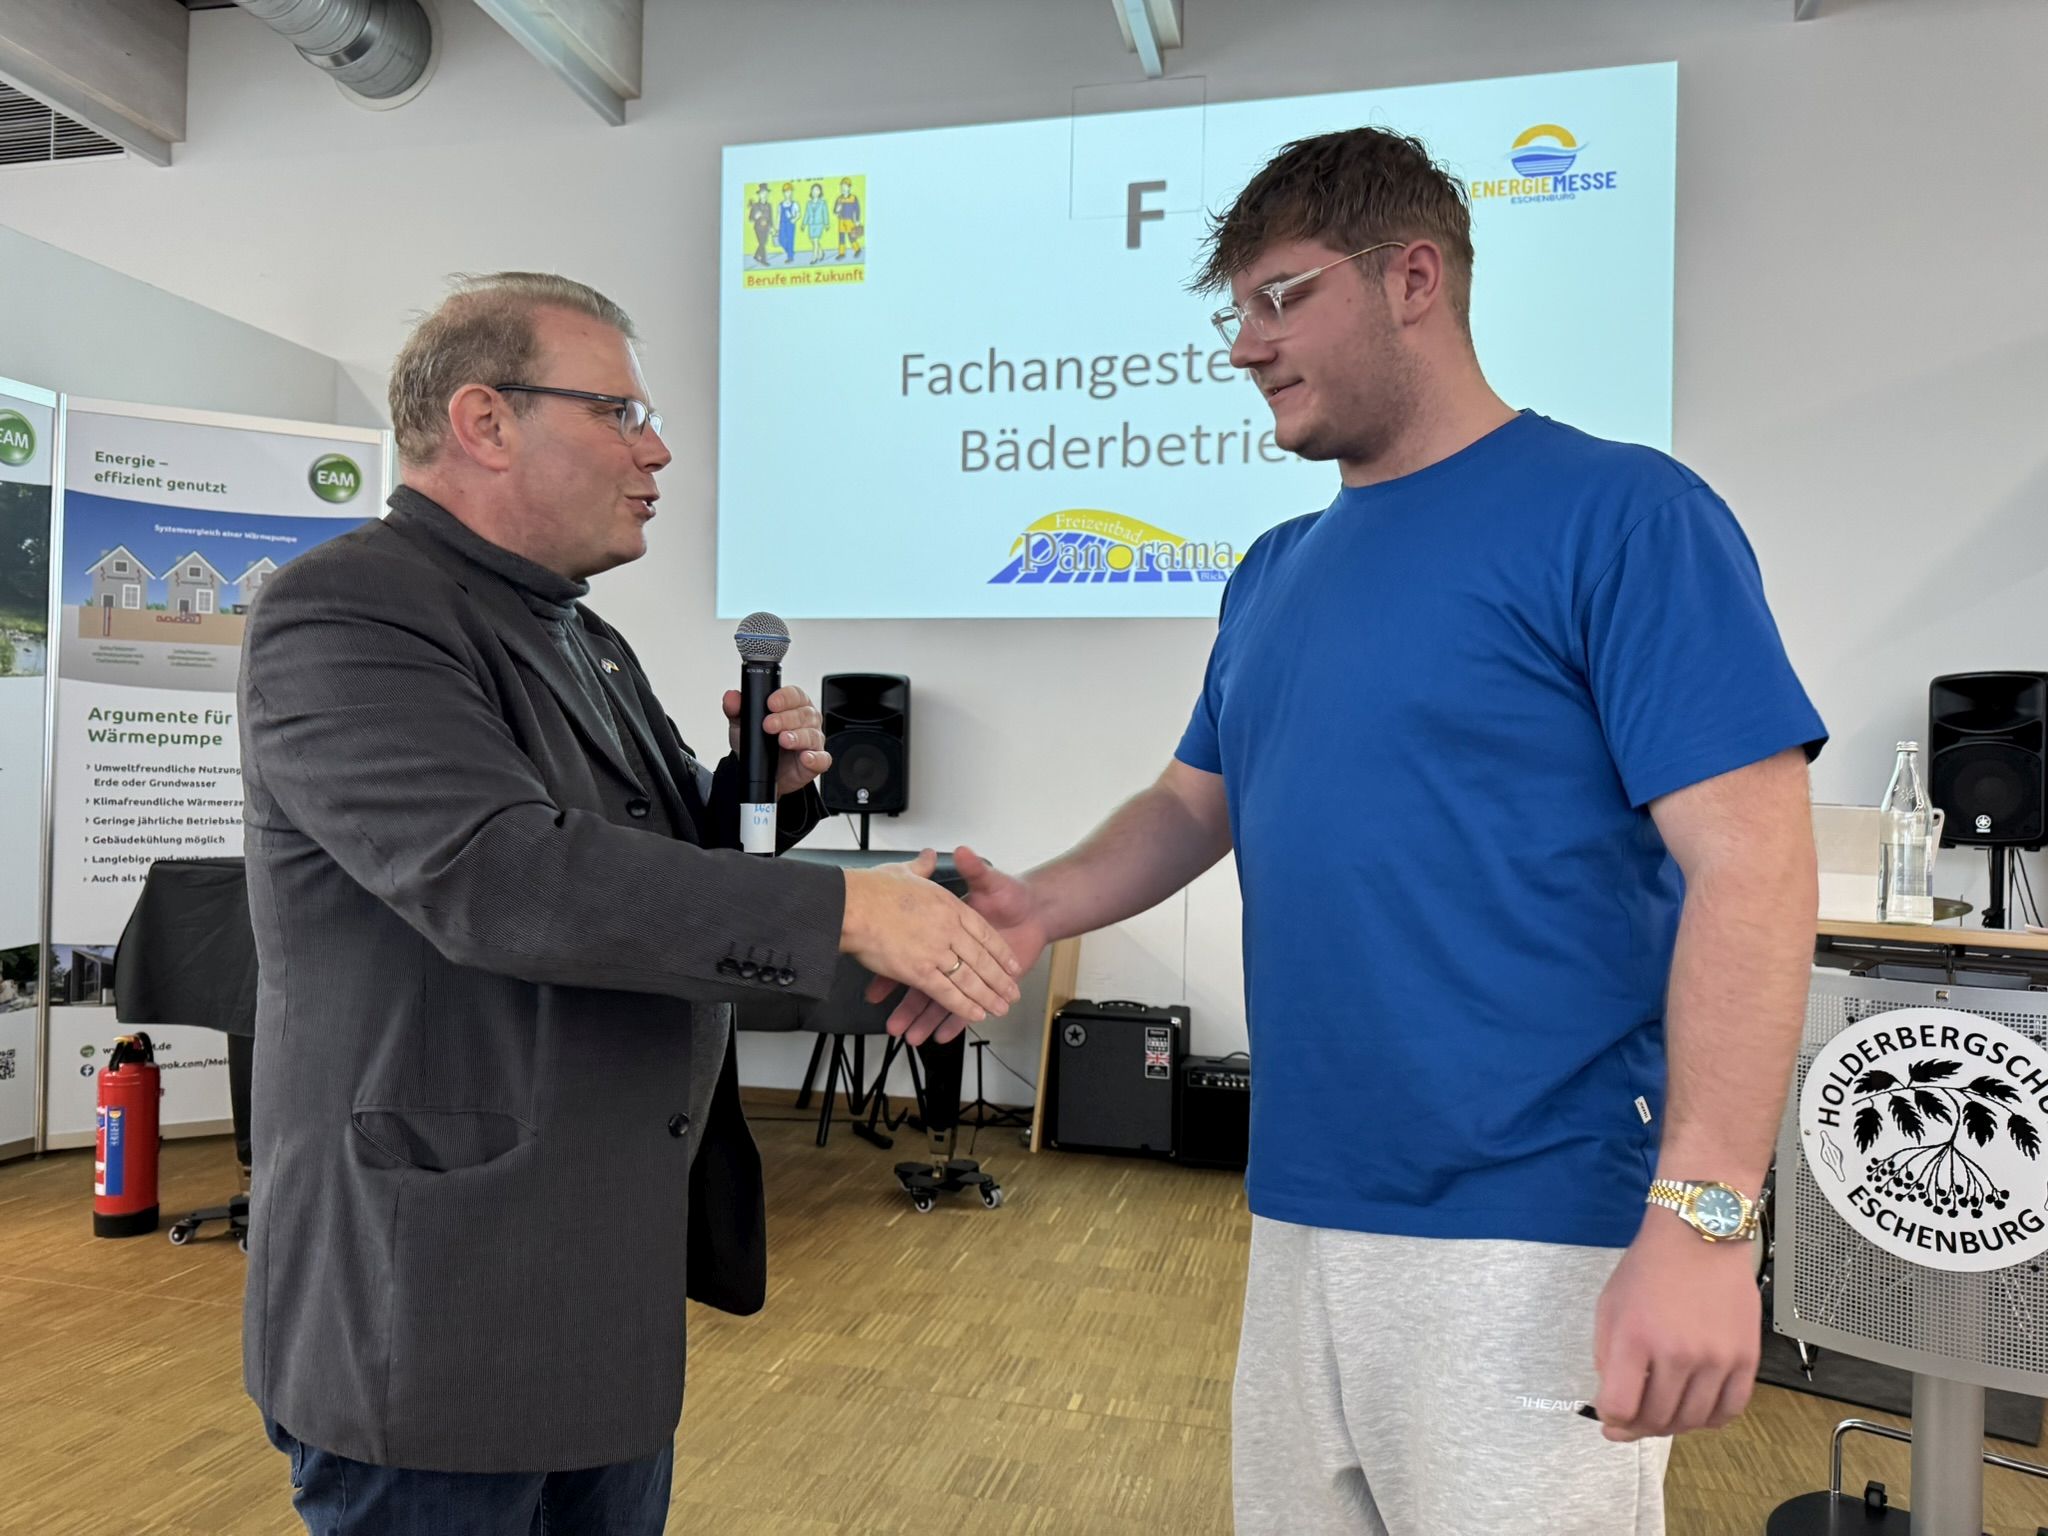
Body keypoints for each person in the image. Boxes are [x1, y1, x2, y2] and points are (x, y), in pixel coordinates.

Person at [878, 129, 1824, 1535]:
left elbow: (1754, 868)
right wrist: (1042, 904)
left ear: (1413, 279)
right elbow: (1191, 803)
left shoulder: (1626, 517)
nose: (1246, 346)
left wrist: (1703, 1219)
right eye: (1236, 310)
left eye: (1284, 296)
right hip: (1300, 1208)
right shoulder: (1274, 571)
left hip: (1531, 1223)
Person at [238, 271, 1021, 1535]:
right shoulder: (349, 608)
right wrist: (839, 913)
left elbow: (639, 860)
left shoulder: (580, 637)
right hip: (436, 1292)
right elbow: (496, 877)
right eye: (621, 412)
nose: (656, 452)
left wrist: (772, 804)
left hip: (597, 1279)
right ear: (485, 421)